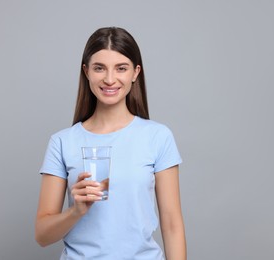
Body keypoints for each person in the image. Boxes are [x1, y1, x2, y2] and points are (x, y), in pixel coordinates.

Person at [35, 27, 187, 259]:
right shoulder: (63, 142)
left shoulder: (158, 137)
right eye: (99, 68)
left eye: (121, 68)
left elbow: (172, 225)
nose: (109, 79)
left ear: (136, 73)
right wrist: (76, 211)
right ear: (86, 72)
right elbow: (42, 235)